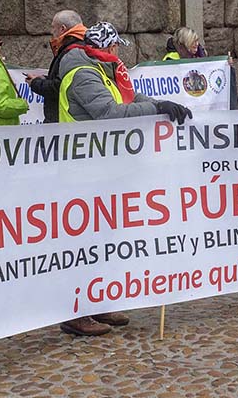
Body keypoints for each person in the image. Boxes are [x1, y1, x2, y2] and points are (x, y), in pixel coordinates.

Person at [57, 22, 192, 336]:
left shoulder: (103, 70)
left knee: (102, 242)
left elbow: (128, 96)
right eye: (117, 46)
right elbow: (109, 112)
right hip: (82, 171)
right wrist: (155, 108)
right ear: (109, 47)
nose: (119, 53)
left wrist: (158, 105)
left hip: (100, 169)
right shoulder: (83, 74)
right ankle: (75, 312)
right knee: (84, 244)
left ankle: (97, 303)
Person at [28, 10, 86, 124]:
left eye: (53, 27)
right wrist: (45, 78)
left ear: (62, 29)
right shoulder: (81, 46)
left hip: (62, 119)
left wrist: (35, 83)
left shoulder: (72, 52)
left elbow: (61, 87)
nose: (51, 31)